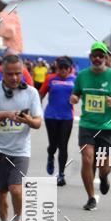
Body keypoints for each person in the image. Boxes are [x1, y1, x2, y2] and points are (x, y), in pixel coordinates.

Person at [0, 54, 42, 221]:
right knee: (0, 193)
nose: (15, 78)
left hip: (20, 150)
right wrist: (7, 114)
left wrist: (28, 120)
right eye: (10, 74)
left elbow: (38, 123)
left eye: (18, 74)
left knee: (16, 189)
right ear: (3, 73)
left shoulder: (31, 93)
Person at [70, 41, 111, 211]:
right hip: (87, 124)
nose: (97, 58)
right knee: (87, 159)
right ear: (90, 57)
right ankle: (90, 197)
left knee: (104, 166)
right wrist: (74, 98)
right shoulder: (82, 76)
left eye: (100, 56)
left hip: (108, 127)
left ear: (106, 58)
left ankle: (104, 178)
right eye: (94, 56)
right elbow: (76, 93)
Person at [39, 56, 76, 186]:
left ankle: (61, 174)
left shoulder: (74, 80)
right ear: (57, 68)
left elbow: (80, 94)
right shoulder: (50, 78)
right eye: (61, 68)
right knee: (53, 145)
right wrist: (36, 107)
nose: (64, 70)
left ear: (70, 69)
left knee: (63, 145)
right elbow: (41, 93)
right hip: (51, 116)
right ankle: (50, 156)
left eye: (66, 68)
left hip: (67, 117)